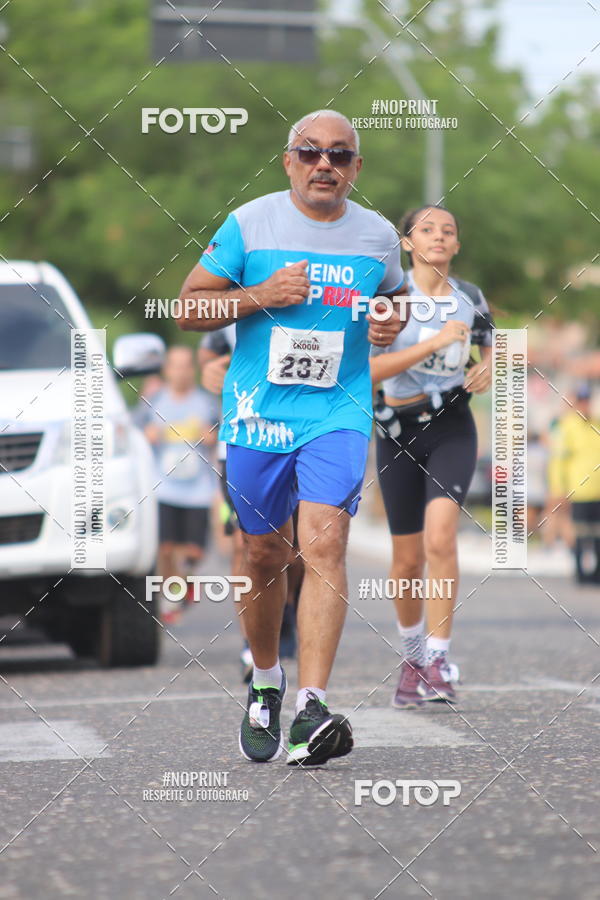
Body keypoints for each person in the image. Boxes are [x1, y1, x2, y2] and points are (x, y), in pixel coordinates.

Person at [177, 109, 404, 764]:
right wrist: (260, 294)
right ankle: (267, 679)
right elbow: (190, 306)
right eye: (309, 153)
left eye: (338, 155)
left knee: (326, 543)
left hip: (336, 410)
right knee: (260, 554)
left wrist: (391, 321)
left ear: (356, 169)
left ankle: (311, 706)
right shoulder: (250, 223)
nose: (323, 164)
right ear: (288, 161)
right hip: (257, 412)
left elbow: (393, 300)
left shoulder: (380, 236)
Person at [370, 205, 494, 708]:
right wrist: (436, 343)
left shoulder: (470, 297)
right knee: (405, 560)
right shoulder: (387, 300)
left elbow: (492, 342)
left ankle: (439, 658)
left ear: (457, 246)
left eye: (449, 231)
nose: (439, 237)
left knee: (442, 537)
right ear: (407, 243)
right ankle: (413, 656)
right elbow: (370, 371)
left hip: (451, 428)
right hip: (396, 429)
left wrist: (488, 365)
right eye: (427, 230)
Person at [198, 327, 302, 681]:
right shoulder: (231, 306)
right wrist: (213, 369)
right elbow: (207, 361)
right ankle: (250, 641)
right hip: (242, 443)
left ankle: (286, 614)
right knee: (250, 545)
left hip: (301, 437)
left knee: (298, 548)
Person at [144, 346, 219, 624]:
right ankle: (172, 594)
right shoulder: (154, 400)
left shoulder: (205, 402)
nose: (181, 371)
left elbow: (217, 430)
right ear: (167, 370)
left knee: (193, 552)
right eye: (175, 365)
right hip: (163, 487)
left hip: (197, 490)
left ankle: (183, 583)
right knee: (164, 548)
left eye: (187, 365)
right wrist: (146, 433)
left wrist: (211, 435)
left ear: (193, 370)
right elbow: (133, 427)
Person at [547, 383, 600, 583]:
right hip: (579, 489)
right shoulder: (566, 427)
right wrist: (558, 489)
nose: (585, 406)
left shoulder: (596, 424)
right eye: (582, 402)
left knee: (597, 533)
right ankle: (580, 571)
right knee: (580, 533)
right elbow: (558, 460)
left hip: (598, 490)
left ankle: (596, 573)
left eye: (588, 402)